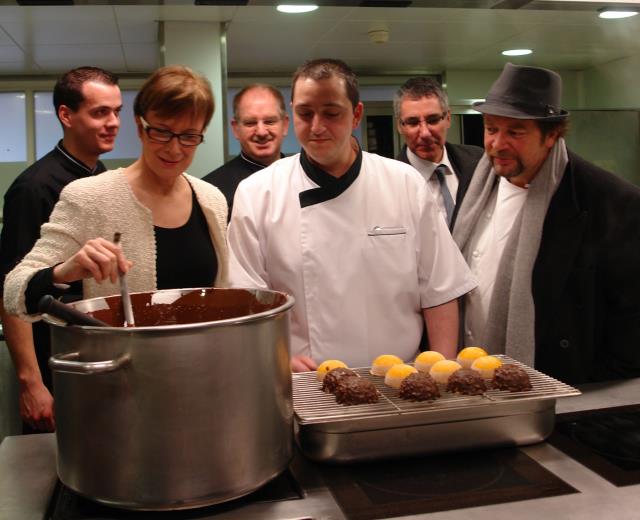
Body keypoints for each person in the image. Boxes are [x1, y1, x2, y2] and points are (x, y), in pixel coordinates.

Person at [228, 59, 476, 371]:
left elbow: (440, 290)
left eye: (331, 113)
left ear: (356, 114)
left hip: (399, 379)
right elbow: (247, 302)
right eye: (305, 113)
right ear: (292, 113)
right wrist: (275, 358)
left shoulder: (404, 183)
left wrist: (442, 372)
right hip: (308, 384)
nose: (317, 126)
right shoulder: (257, 193)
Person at [4, 65, 228, 380]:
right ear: (140, 126)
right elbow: (13, 291)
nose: (174, 148)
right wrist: (63, 271)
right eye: (162, 131)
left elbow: (225, 297)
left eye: (189, 136)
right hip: (120, 388)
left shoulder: (211, 200)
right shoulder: (89, 197)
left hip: (201, 379)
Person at [453, 62, 640, 384]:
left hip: (558, 389)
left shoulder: (608, 201)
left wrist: (595, 397)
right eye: (491, 128)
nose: (497, 144)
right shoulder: (476, 182)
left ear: (551, 135)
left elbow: (630, 322)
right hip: (469, 378)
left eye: (515, 132)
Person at [0, 66, 122, 433]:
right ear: (66, 115)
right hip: (53, 361)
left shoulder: (100, 176)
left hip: (94, 355)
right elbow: (9, 289)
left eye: (116, 111)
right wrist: (30, 383)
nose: (113, 122)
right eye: (100, 112)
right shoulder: (34, 188)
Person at [394, 77, 483, 228]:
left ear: (448, 118)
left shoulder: (477, 162)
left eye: (433, 120)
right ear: (400, 126)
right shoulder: (389, 181)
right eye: (413, 122)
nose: (425, 133)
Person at [203, 84, 289, 219]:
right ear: (236, 129)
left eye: (269, 121)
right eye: (250, 123)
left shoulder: (305, 179)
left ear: (285, 125)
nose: (261, 132)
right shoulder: (211, 192)